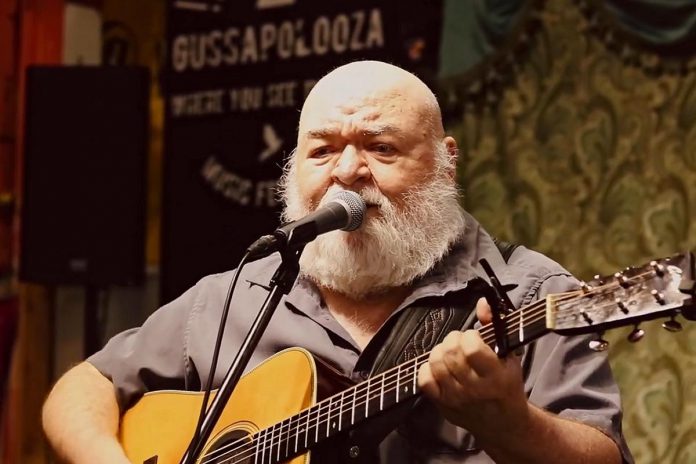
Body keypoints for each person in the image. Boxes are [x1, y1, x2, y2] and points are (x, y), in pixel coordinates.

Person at [42, 60, 633, 463]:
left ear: (446, 161)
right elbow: (83, 384)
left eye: (380, 147)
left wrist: (508, 423)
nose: (347, 173)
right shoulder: (236, 296)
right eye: (322, 150)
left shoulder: (528, 291)